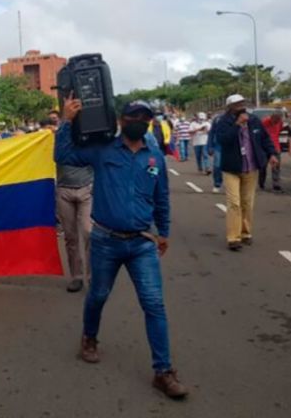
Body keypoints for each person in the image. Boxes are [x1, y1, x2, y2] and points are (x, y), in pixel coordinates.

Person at [55, 97, 187, 399]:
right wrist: (66, 122)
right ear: (122, 121)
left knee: (154, 304)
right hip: (106, 241)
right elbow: (63, 155)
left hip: (142, 242)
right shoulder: (103, 150)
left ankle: (163, 371)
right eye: (133, 116)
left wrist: (163, 231)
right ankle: (89, 338)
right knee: (98, 295)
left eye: (145, 116)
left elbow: (162, 197)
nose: (139, 120)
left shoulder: (155, 156)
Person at [216, 95, 278, 251]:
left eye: (242, 103)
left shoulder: (254, 120)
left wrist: (272, 154)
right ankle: (233, 238)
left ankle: (245, 233)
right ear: (229, 107)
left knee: (247, 203)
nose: (241, 107)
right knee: (234, 204)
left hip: (251, 167)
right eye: (237, 105)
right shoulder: (223, 122)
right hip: (231, 169)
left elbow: (264, 139)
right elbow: (223, 140)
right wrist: (237, 125)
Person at [55, 140, 93, 293]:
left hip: (86, 189)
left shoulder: (90, 136)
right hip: (64, 190)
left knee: (88, 233)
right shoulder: (59, 139)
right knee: (70, 237)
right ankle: (76, 276)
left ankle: (91, 277)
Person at [259, 110, 284, 192]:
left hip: (276, 146)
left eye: (278, 120)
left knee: (276, 166)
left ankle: (276, 184)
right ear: (272, 117)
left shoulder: (280, 123)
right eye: (275, 120)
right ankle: (261, 182)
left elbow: (279, 131)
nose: (276, 122)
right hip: (265, 147)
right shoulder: (264, 122)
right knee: (263, 166)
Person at [207, 114, 224, 193]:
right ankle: (217, 184)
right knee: (217, 166)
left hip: (232, 147)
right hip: (218, 146)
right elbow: (211, 133)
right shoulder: (218, 118)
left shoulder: (238, 117)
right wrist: (210, 146)